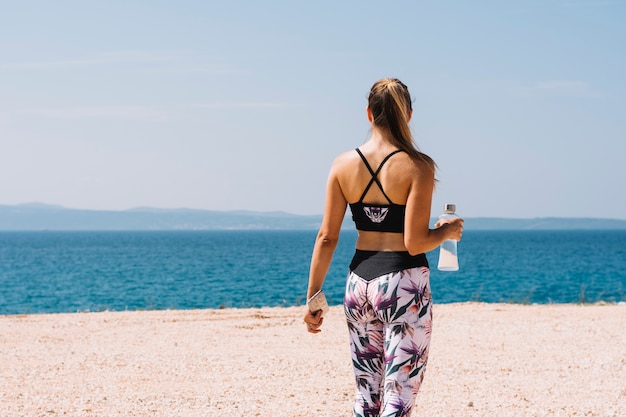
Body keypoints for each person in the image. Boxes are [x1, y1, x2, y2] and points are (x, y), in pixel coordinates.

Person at [303, 78, 464, 417]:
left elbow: (327, 237)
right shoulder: (418, 166)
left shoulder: (342, 164)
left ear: (368, 114)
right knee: (398, 395)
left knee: (367, 395)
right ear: (407, 115)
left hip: (358, 283)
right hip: (403, 284)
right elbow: (414, 241)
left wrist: (313, 297)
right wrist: (446, 231)